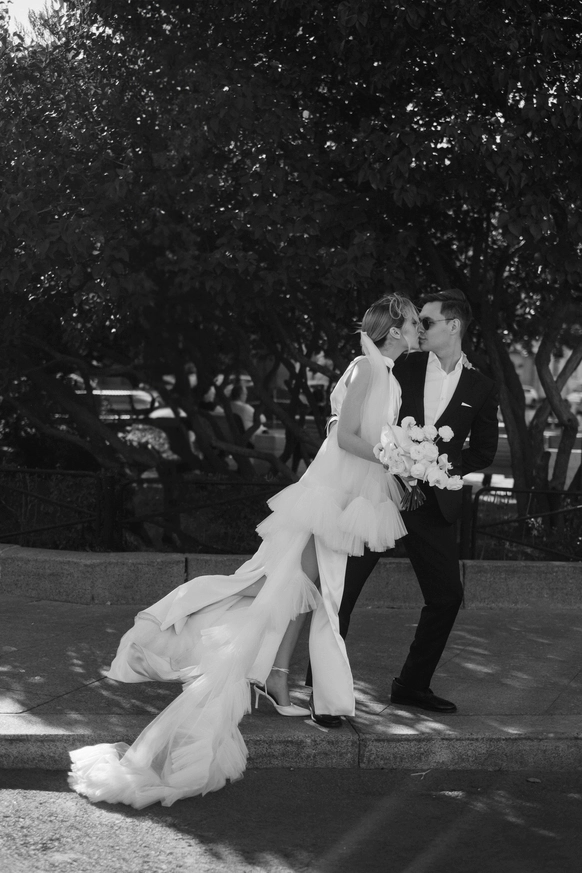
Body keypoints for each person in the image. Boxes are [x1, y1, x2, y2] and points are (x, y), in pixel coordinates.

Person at [68, 294, 419, 808]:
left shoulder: (382, 372)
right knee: (275, 586)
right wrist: (394, 459)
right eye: (413, 322)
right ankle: (177, 630)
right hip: (330, 496)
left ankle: (276, 679)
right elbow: (345, 436)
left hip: (345, 496)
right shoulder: (368, 366)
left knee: (300, 589)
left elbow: (341, 427)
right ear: (395, 329)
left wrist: (397, 458)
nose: (418, 328)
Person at [337, 289, 499, 714]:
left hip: (433, 505)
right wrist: (399, 459)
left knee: (446, 597)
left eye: (426, 322)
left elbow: (483, 451)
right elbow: (362, 418)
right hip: (382, 495)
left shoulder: (481, 386)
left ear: (453, 326)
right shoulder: (400, 365)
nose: (418, 328)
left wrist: (436, 466)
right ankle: (324, 689)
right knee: (342, 592)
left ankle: (411, 685)